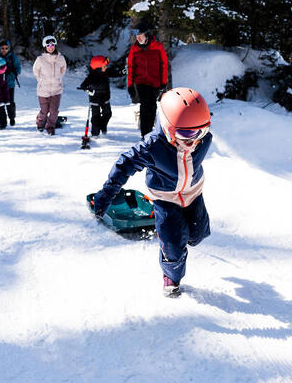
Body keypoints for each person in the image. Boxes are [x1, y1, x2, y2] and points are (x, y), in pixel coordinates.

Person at [91, 88, 213, 297]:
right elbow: (124, 165)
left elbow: (197, 136)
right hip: (166, 199)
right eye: (187, 134)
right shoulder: (152, 146)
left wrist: (195, 134)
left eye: (201, 131)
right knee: (173, 244)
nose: (194, 141)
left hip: (193, 194)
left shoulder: (202, 140)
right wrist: (105, 196)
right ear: (166, 126)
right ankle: (171, 277)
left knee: (197, 234)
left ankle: (181, 237)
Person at [126, 19, 169, 137]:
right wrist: (130, 85)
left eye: (140, 35)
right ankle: (145, 135)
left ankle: (150, 132)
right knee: (145, 106)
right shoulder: (134, 49)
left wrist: (163, 82)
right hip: (141, 83)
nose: (138, 38)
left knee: (153, 106)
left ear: (147, 34)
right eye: (136, 36)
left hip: (155, 83)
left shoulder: (157, 47)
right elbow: (130, 67)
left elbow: (164, 65)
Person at [32, 34, 67, 135]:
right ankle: (40, 123)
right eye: (48, 46)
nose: (50, 47)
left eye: (52, 45)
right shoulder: (40, 59)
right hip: (43, 90)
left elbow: (63, 69)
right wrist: (41, 80)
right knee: (44, 111)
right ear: (45, 47)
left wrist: (58, 77)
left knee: (54, 111)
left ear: (55, 46)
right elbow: (36, 70)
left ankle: (50, 127)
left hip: (56, 90)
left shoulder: (61, 58)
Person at [0, 39, 22, 126]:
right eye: (2, 48)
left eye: (6, 48)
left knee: (10, 102)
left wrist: (11, 75)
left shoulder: (12, 57)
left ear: (9, 48)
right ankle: (2, 122)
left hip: (9, 84)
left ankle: (12, 117)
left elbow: (18, 69)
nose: (4, 50)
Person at [77, 55, 112, 137]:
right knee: (95, 116)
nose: (106, 67)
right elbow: (83, 85)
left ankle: (103, 126)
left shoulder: (106, 73)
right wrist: (87, 89)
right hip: (95, 98)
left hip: (105, 97)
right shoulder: (92, 77)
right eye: (104, 66)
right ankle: (95, 133)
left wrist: (122, 72)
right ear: (98, 68)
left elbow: (114, 73)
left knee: (108, 114)